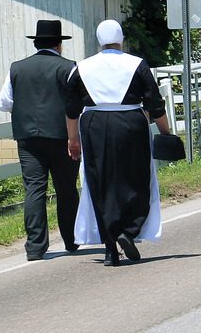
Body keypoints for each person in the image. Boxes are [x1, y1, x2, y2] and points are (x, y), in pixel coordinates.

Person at [65, 19, 171, 266]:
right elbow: (154, 103)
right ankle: (129, 230)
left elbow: (71, 109)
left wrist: (73, 139)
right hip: (130, 122)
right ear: (121, 39)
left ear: (98, 41)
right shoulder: (137, 65)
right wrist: (165, 132)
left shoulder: (81, 67)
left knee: (100, 182)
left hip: (93, 125)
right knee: (135, 178)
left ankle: (110, 247)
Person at [0, 20, 81, 261]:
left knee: (34, 189)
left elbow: (3, 103)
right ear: (59, 44)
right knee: (66, 189)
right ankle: (72, 239)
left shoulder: (17, 68)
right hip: (62, 137)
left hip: (28, 137)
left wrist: (26, 106)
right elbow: (77, 104)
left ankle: (35, 246)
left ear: (36, 43)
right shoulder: (69, 68)